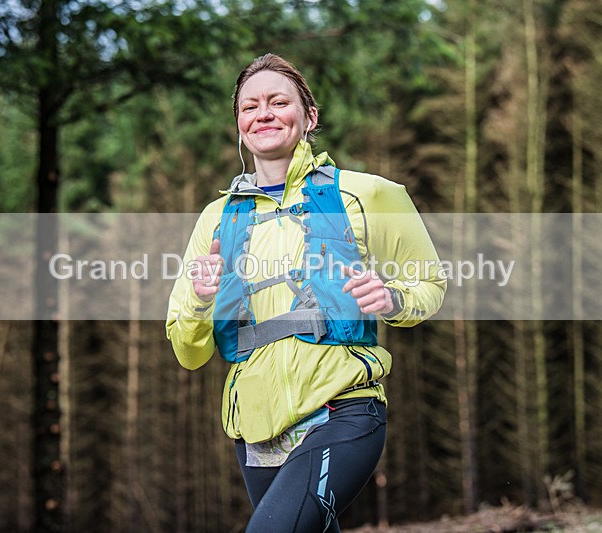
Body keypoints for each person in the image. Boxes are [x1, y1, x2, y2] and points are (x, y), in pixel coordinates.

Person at [166, 53, 445, 532]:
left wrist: (392, 298)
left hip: (343, 408)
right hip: (255, 428)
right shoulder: (216, 218)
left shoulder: (368, 195)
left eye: (279, 102)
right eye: (250, 106)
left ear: (310, 117)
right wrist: (199, 297)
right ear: (239, 125)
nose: (264, 114)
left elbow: (430, 284)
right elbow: (188, 353)